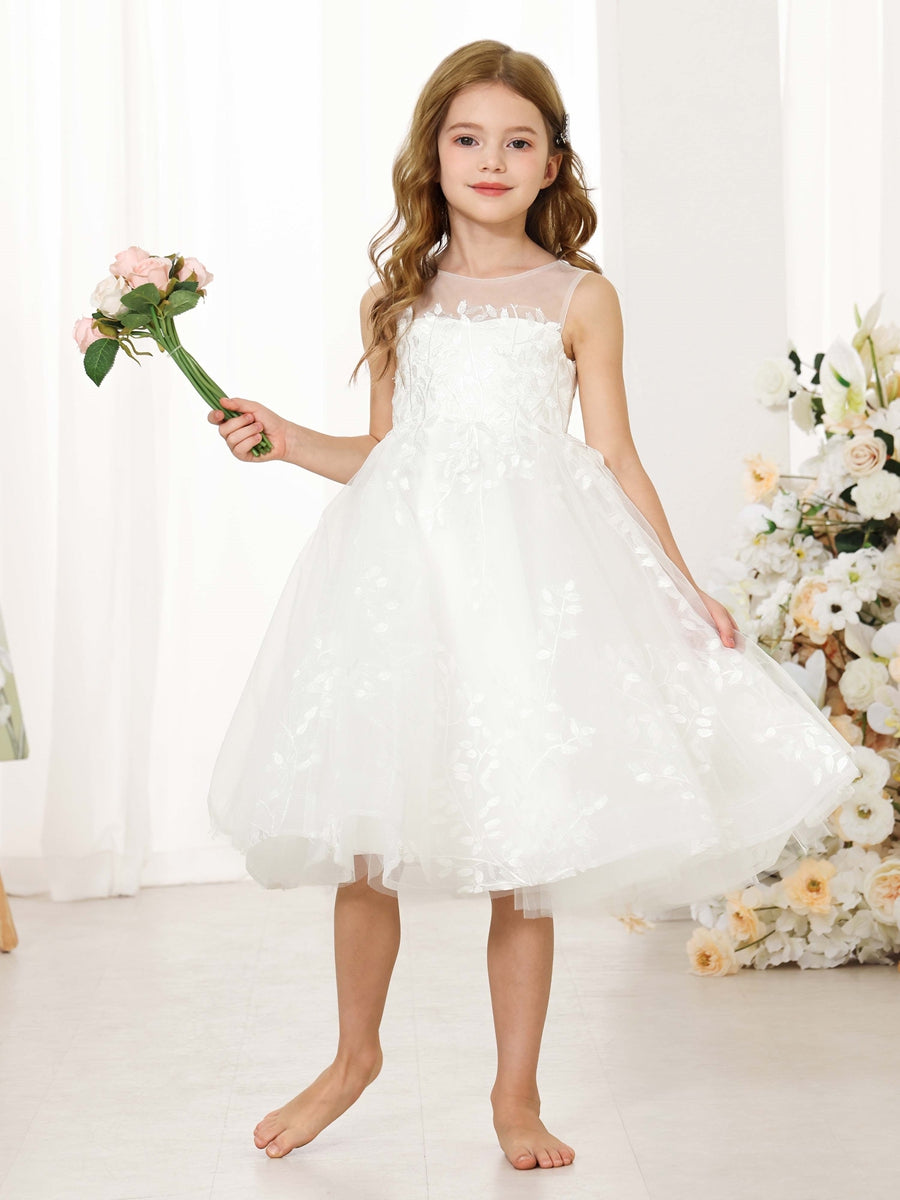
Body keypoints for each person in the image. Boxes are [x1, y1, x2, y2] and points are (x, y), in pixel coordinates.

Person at [204, 39, 860, 1170]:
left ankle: (517, 1095)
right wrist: (287, 440)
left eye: (519, 142)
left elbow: (614, 457)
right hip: (404, 591)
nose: (492, 160)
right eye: (469, 139)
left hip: (524, 594)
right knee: (366, 844)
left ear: (553, 165)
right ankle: (354, 1057)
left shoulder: (579, 298)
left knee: (525, 848)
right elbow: (389, 456)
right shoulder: (396, 301)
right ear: (434, 156)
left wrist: (680, 586)